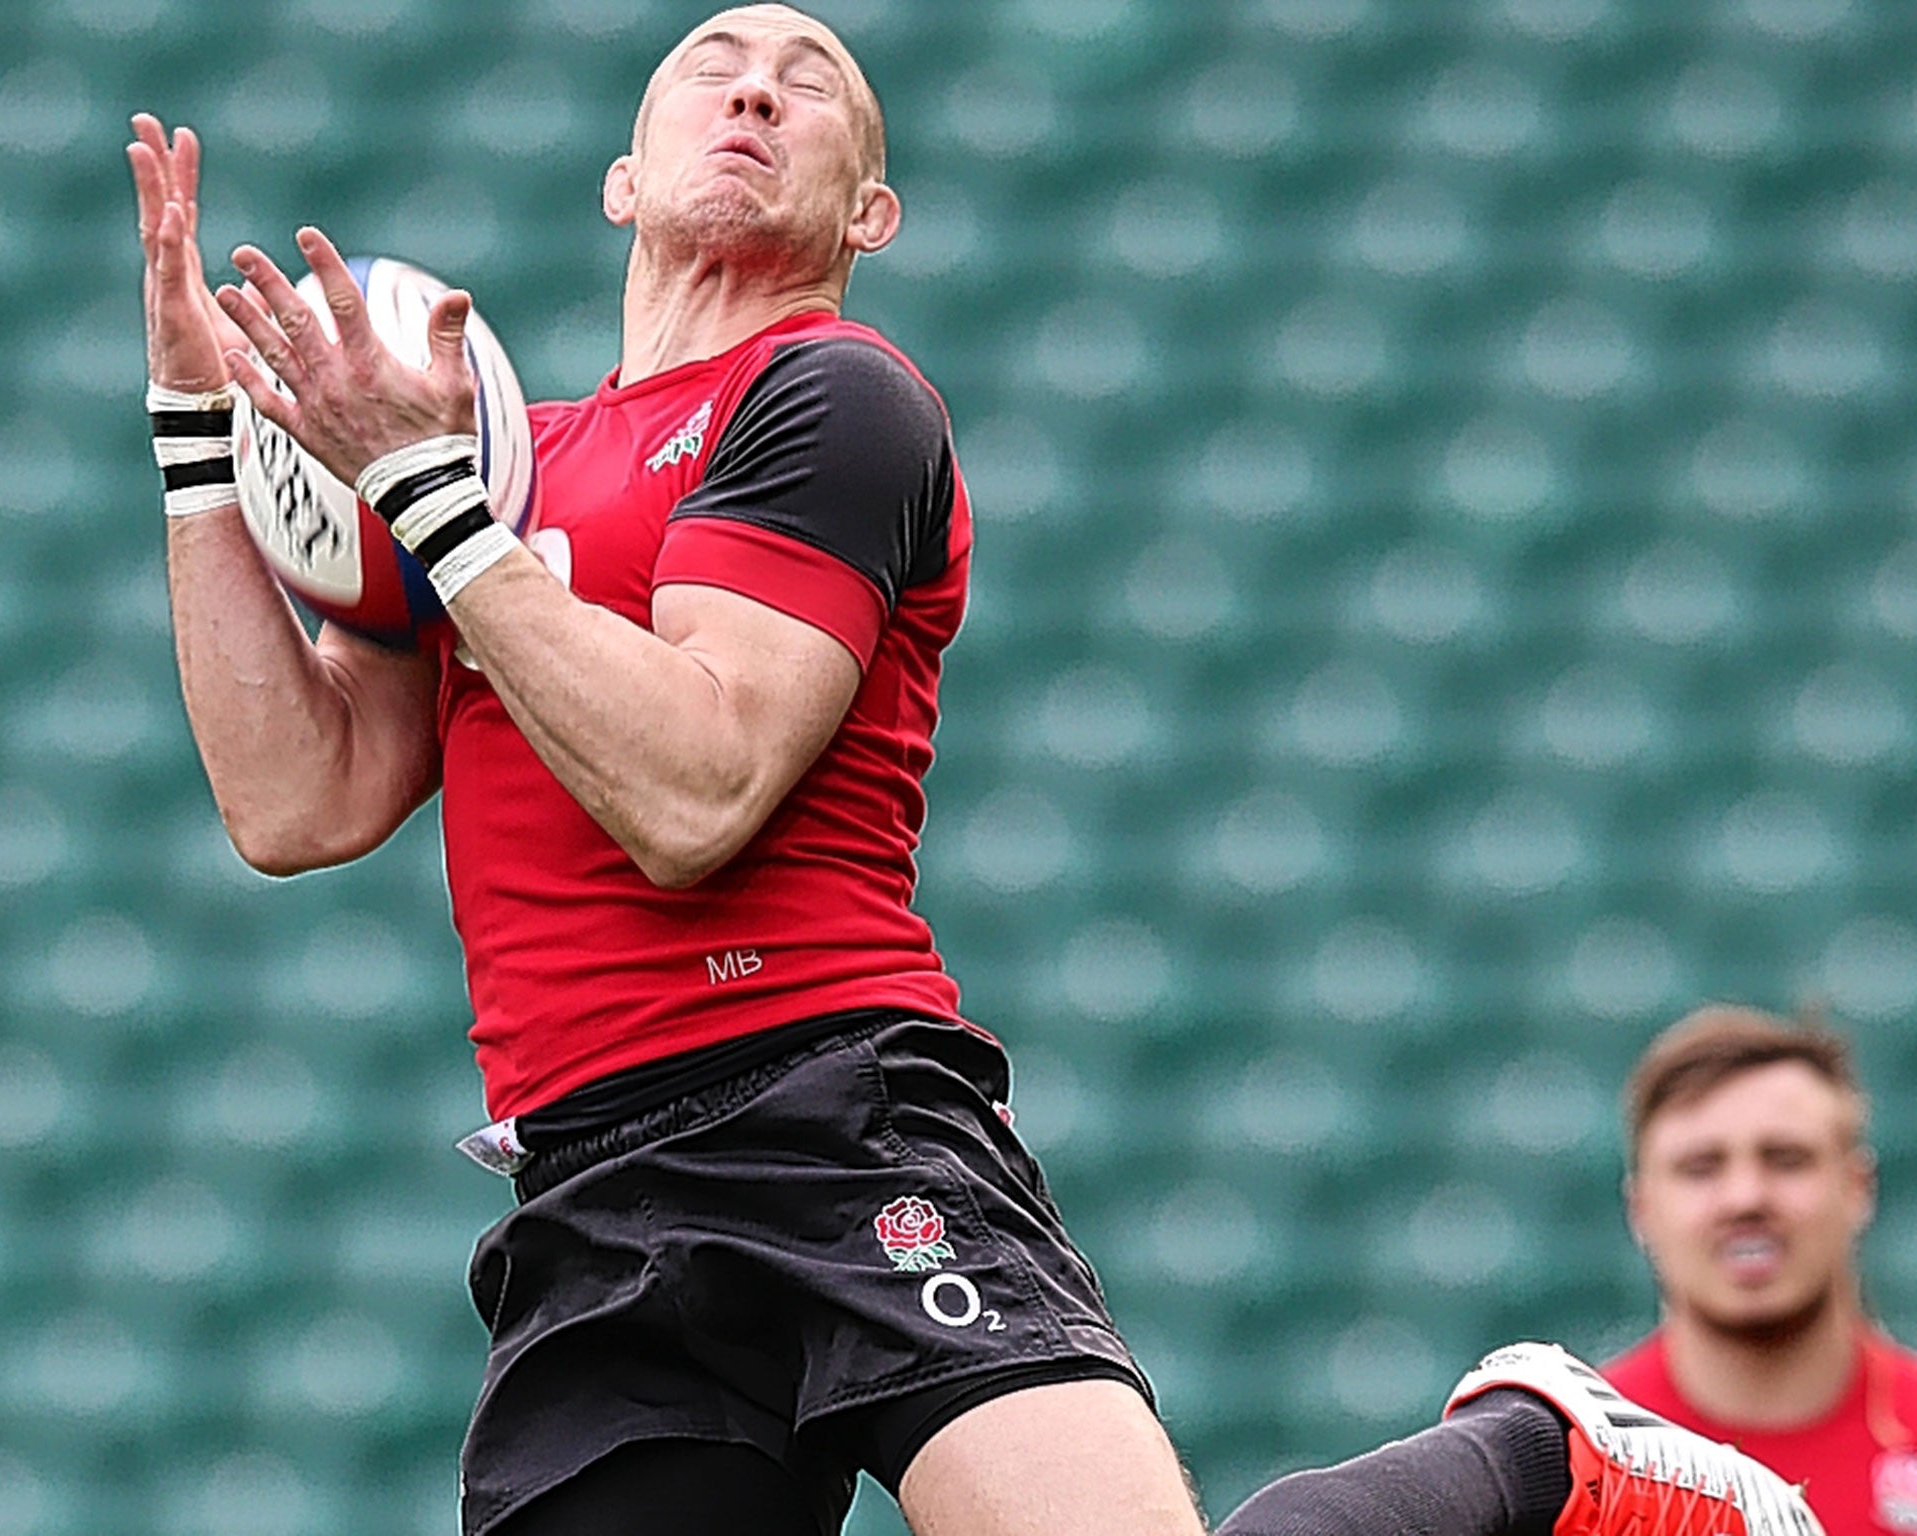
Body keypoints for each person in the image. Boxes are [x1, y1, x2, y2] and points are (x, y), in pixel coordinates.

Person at [127, 6, 1827, 1534]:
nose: (754, 93)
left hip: (820, 1109)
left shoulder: (831, 397)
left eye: (809, 89)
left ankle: (1532, 1451)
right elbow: (300, 801)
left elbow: (695, 791)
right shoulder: (496, 470)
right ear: (617, 182)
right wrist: (199, 440)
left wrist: (433, 510)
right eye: (708, 72)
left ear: (867, 216)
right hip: (588, 1180)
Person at [1604, 1006, 1917, 1536]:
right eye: (1700, 1168)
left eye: (1786, 1159)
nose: (1745, 1197)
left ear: (1858, 1187)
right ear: (1642, 1209)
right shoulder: (1575, 1460)